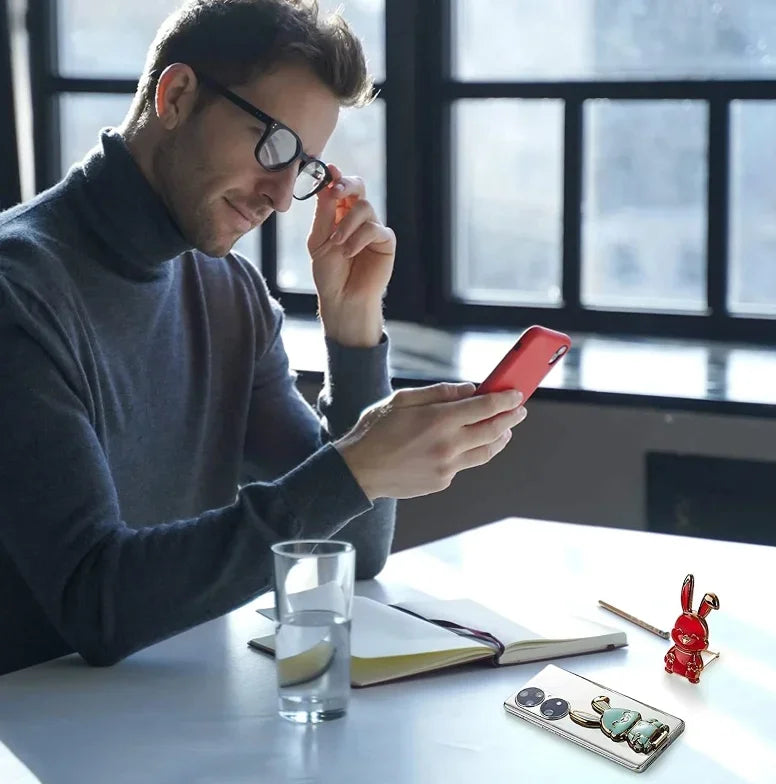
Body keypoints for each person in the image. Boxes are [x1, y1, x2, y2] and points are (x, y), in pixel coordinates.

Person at [0, 0, 527, 675]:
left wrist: (354, 331)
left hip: (167, 722)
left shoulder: (231, 295)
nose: (281, 198)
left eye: (304, 167)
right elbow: (97, 605)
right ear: (178, 95)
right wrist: (354, 467)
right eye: (273, 145)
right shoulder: (19, 290)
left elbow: (354, 548)